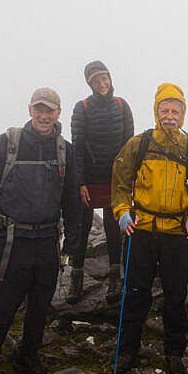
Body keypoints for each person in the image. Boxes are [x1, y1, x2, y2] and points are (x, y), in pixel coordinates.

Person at [0, 88, 80, 374]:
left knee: (40, 306)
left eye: (50, 110)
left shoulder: (65, 151)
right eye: (38, 109)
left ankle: (26, 355)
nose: (44, 116)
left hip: (47, 241)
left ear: (59, 112)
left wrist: (72, 241)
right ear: (30, 110)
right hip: (12, 241)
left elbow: (72, 199)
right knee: (4, 305)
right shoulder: (9, 143)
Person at [111, 83, 188, 374]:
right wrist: (121, 211)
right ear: (156, 112)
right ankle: (127, 352)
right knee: (136, 293)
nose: (169, 115)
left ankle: (174, 353)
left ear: (183, 114)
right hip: (141, 231)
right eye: (164, 110)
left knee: (176, 297)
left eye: (175, 110)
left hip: (177, 234)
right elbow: (120, 181)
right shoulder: (139, 143)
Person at [68, 60, 134, 304]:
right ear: (90, 83)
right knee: (81, 228)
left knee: (113, 228)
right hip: (89, 178)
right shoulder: (82, 108)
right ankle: (76, 278)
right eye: (96, 80)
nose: (102, 83)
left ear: (110, 77)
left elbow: (130, 147)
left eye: (104, 78)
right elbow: (77, 148)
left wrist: (127, 180)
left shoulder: (122, 106)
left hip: (114, 178)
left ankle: (115, 277)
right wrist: (80, 182)